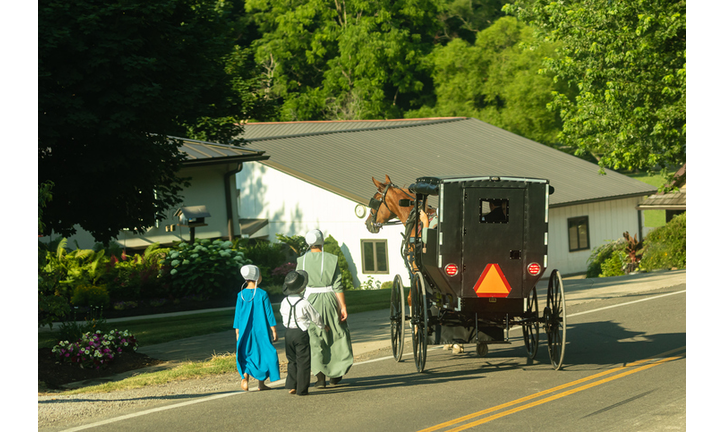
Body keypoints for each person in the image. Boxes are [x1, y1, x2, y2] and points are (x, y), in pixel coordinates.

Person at [297, 229, 354, 388]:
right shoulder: (330, 259)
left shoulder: (301, 260)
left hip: (309, 301)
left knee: (315, 337)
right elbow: (337, 285)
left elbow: (299, 286)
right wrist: (342, 306)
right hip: (330, 300)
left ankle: (320, 377)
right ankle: (336, 374)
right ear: (321, 241)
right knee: (336, 334)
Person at [233, 264, 280, 391]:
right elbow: (269, 313)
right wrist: (274, 330)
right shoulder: (262, 294)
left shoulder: (240, 295)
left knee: (247, 353)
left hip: (244, 330)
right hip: (262, 330)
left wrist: (237, 331)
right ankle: (261, 384)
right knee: (263, 353)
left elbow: (237, 314)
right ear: (257, 277)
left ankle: (245, 378)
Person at [279, 269, 326, 396]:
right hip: (301, 333)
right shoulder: (304, 302)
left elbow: (283, 316)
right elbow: (315, 317)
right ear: (301, 288)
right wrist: (322, 326)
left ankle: (291, 385)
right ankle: (302, 389)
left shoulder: (284, 302)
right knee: (303, 361)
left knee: (291, 360)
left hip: (288, 332)